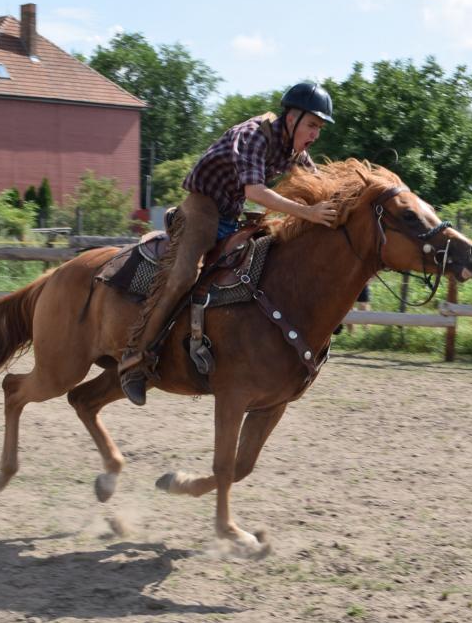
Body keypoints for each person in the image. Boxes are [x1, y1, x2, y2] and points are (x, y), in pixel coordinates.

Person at [118, 81, 338, 405]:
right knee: (184, 276)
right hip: (202, 207)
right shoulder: (253, 135)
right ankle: (135, 360)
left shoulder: (295, 151)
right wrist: (307, 213)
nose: (315, 134)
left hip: (232, 215)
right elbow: (255, 191)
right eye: (312, 125)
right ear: (292, 118)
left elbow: (320, 185)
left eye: (319, 127)